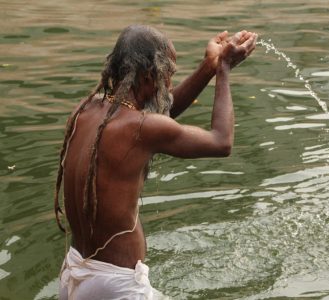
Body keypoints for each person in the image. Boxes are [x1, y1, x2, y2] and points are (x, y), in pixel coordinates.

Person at [55, 24, 257, 299]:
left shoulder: (87, 110)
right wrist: (224, 70)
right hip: (118, 287)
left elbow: (161, 116)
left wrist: (208, 67)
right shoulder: (141, 128)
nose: (170, 84)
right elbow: (222, 142)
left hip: (75, 275)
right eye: (169, 75)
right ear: (150, 74)